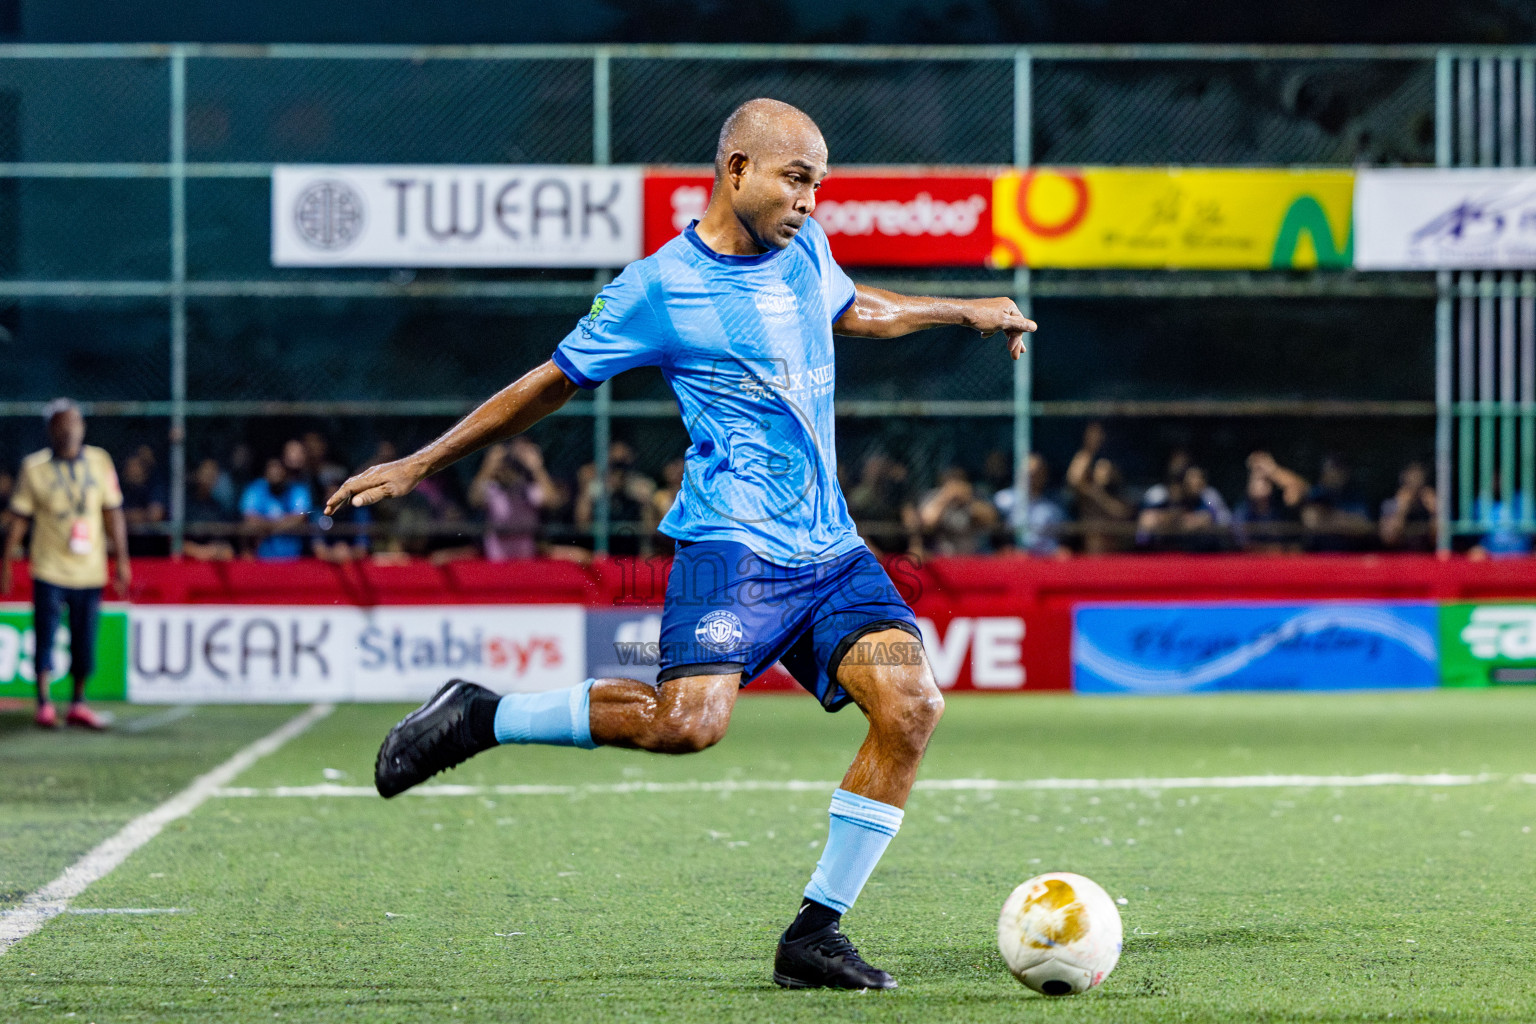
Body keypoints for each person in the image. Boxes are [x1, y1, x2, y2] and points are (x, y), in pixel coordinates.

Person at [324, 98, 1035, 991]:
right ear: (737, 170)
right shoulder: (658, 287)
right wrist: (422, 462)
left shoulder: (806, 250)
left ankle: (815, 933)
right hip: (730, 549)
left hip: (831, 550)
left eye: (818, 185)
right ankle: (480, 715)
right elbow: (551, 383)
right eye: (797, 179)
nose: (810, 201)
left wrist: (963, 309)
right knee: (687, 726)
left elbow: (856, 309)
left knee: (912, 705)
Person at [0, 399, 129, 730]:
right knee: (45, 635)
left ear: (82, 427)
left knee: (84, 640)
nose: (69, 430)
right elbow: (19, 518)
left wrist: (122, 560)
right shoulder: (34, 468)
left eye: (74, 423)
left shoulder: (100, 461)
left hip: (90, 568)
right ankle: (44, 703)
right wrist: (6, 562)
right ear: (50, 430)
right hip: (49, 567)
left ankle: (78, 702)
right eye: (61, 424)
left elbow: (113, 512)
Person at [469, 437, 561, 561]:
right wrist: (488, 466)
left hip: (526, 557)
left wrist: (537, 467)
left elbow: (552, 501)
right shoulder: (493, 488)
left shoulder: (527, 489)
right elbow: (475, 499)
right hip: (496, 558)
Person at [1063, 423, 1134, 554]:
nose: (1105, 471)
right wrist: (1089, 449)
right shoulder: (1087, 496)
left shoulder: (1122, 498)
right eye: (1100, 467)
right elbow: (1074, 479)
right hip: (1092, 552)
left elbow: (1122, 513)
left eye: (1109, 468)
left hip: (1117, 553)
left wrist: (1099, 495)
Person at [239, 455, 313, 560]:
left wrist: (267, 527)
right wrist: (283, 524)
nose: (275, 473)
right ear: (265, 472)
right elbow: (250, 519)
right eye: (271, 469)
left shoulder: (297, 490)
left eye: (278, 469)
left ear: (285, 472)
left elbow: (300, 518)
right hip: (261, 558)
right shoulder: (255, 489)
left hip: (295, 559)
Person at [993, 452, 1066, 557]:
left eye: (1036, 473)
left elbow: (1064, 540)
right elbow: (994, 531)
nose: (1031, 478)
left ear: (1044, 475)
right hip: (1015, 559)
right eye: (1028, 473)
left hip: (1047, 559)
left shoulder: (1054, 508)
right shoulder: (1003, 500)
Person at [1233, 451, 1307, 552]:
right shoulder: (1242, 511)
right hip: (1254, 560)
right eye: (1256, 478)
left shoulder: (1280, 505)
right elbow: (1244, 547)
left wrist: (1273, 470)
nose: (1261, 482)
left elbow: (1301, 489)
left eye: (1265, 479)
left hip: (1284, 559)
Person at [918, 466, 999, 555]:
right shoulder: (935, 496)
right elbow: (927, 522)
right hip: (942, 554)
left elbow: (991, 519)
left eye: (959, 482)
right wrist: (944, 499)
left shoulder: (976, 495)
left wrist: (968, 500)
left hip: (975, 554)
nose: (955, 488)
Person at [1378, 461, 1438, 552]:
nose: (1415, 479)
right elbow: (1389, 539)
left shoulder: (1432, 503)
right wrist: (1401, 510)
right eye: (1411, 474)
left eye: (1418, 475)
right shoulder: (1390, 504)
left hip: (1427, 556)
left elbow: (1440, 540)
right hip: (1399, 556)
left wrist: (1435, 513)